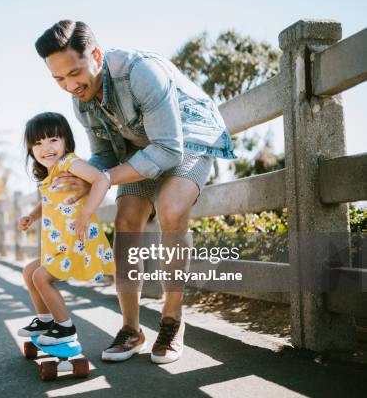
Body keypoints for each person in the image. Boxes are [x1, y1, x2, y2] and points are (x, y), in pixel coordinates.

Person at [34, 21, 236, 363]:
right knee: (126, 219)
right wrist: (87, 175)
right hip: (139, 150)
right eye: (59, 80)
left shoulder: (140, 72)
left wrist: (102, 178)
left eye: (75, 73)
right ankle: (131, 329)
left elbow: (170, 150)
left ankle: (172, 320)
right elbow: (105, 155)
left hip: (188, 140)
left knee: (172, 209)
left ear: (95, 55)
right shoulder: (81, 101)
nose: (70, 85)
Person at [16, 112, 115, 345]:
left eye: (53, 139)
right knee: (30, 272)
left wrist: (86, 214)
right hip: (60, 244)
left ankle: (65, 327)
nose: (46, 147)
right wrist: (31, 215)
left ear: (66, 141)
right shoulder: (51, 174)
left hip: (76, 241)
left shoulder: (69, 163)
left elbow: (101, 180)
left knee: (41, 277)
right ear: (31, 150)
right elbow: (49, 200)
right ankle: (45, 320)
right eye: (38, 143)